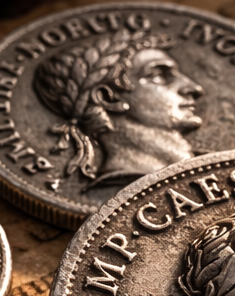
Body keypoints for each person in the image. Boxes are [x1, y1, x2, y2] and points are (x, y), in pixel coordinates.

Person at [34, 28, 203, 188]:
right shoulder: (117, 190)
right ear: (108, 97)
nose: (194, 88)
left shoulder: (208, 163)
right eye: (157, 75)